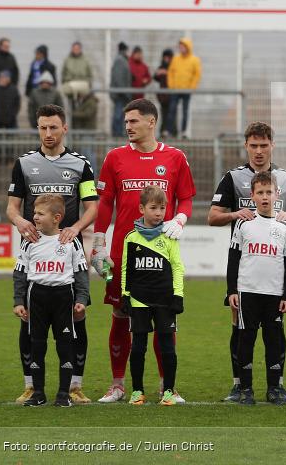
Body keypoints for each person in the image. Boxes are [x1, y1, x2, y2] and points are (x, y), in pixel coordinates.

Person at [90, 98, 196, 404]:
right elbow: (105, 202)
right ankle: (118, 385)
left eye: (133, 121)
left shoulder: (175, 157)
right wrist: (98, 243)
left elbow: (186, 198)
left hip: (161, 253)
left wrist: (179, 218)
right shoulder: (115, 157)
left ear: (151, 122)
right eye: (126, 121)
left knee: (164, 317)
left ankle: (167, 386)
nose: (128, 126)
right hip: (123, 254)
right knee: (120, 314)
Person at [208, 121, 286, 403]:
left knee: (275, 333)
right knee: (241, 330)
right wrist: (235, 214)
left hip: (273, 271)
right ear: (246, 146)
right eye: (254, 145)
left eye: (264, 145)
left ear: (272, 145)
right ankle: (239, 385)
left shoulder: (285, 179)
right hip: (246, 269)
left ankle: (278, 385)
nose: (259, 151)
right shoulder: (233, 177)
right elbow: (213, 216)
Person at [6, 104, 97, 404]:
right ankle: (31, 385)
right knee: (29, 322)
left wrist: (76, 228)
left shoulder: (81, 164)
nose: (48, 133)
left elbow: (92, 207)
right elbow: (12, 207)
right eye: (43, 127)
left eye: (53, 127)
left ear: (64, 128)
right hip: (35, 248)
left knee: (76, 318)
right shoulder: (24, 163)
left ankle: (75, 386)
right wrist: (20, 222)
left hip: (67, 252)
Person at [226, 171, 286, 406]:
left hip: (274, 294)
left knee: (273, 341)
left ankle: (274, 388)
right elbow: (234, 258)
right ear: (252, 196)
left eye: (269, 192)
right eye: (260, 192)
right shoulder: (244, 223)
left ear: (277, 194)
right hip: (247, 291)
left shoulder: (285, 224)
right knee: (246, 339)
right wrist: (232, 290)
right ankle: (246, 389)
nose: (265, 197)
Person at [12, 194, 89, 407]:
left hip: (63, 297)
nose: (34, 217)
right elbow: (20, 273)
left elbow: (81, 272)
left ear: (57, 218)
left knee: (65, 346)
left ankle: (64, 394)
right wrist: (19, 301)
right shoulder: (29, 241)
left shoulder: (70, 241)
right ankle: (38, 393)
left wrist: (81, 298)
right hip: (37, 297)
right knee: (37, 345)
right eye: (34, 212)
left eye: (40, 213)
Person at [121, 186, 185, 407]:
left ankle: (168, 391)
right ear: (142, 209)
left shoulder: (169, 237)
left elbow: (177, 267)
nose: (159, 213)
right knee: (138, 347)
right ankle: (137, 391)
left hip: (165, 300)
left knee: (167, 347)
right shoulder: (131, 238)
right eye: (153, 208)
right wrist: (125, 295)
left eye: (162, 208)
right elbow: (126, 268)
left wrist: (178, 295)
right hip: (139, 299)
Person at [166, 38, 202, 138]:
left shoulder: (194, 60)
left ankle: (183, 132)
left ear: (188, 47)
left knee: (185, 111)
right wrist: (171, 86)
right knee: (172, 110)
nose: (181, 48)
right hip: (175, 89)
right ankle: (170, 131)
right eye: (180, 46)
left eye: (183, 46)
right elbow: (170, 72)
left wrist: (192, 87)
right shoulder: (176, 59)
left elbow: (197, 74)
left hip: (187, 90)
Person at [110, 42, 131, 137]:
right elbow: (119, 78)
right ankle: (117, 134)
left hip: (121, 92)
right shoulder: (120, 60)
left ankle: (118, 133)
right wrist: (124, 92)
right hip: (120, 93)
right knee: (118, 115)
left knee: (120, 114)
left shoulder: (121, 60)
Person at [154, 49, 173, 137]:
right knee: (164, 113)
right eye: (165, 57)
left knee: (171, 113)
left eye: (168, 57)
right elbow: (155, 77)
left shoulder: (173, 67)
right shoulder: (161, 67)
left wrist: (167, 73)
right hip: (163, 96)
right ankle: (163, 131)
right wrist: (158, 73)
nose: (166, 59)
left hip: (172, 94)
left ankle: (171, 131)